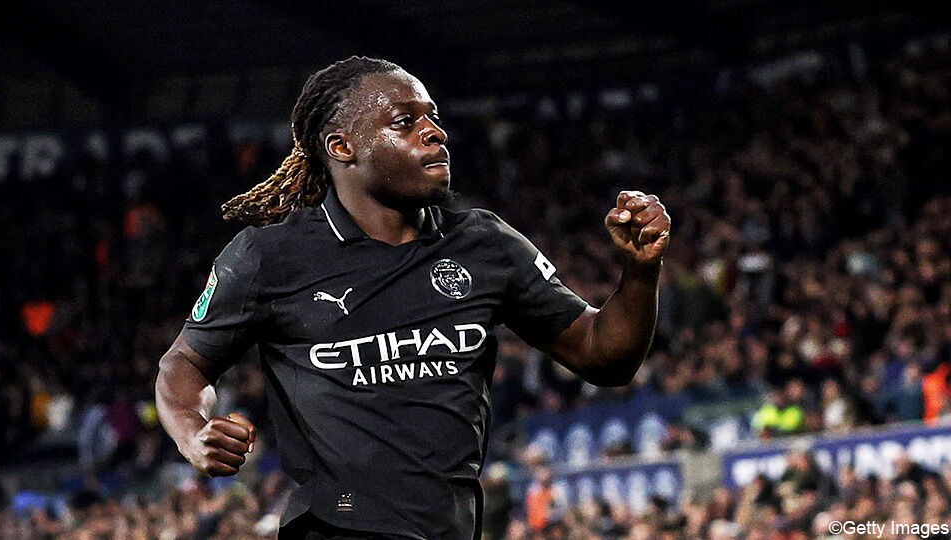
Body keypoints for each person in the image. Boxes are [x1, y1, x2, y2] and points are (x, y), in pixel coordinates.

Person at [155, 56, 670, 540]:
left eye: (433, 118)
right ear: (342, 147)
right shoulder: (270, 257)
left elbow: (604, 356)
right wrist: (193, 432)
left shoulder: (484, 245)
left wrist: (641, 271)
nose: (435, 132)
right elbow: (183, 364)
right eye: (405, 122)